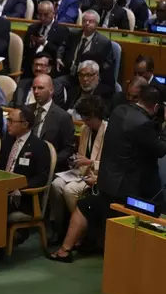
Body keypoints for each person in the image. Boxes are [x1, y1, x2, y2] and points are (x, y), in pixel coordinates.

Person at [48, 85, 166, 265]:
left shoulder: (119, 111)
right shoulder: (142, 123)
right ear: (156, 107)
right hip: (128, 188)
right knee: (132, 223)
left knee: (85, 206)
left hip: (106, 180)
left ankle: (64, 250)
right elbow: (160, 150)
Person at [49, 95, 107, 240]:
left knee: (69, 190)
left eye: (87, 118)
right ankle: (59, 225)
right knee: (56, 184)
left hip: (98, 174)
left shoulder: (109, 131)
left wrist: (90, 162)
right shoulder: (85, 129)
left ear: (95, 116)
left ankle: (81, 229)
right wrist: (76, 160)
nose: (85, 122)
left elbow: (110, 163)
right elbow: (82, 154)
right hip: (81, 172)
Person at [0, 105, 51, 221]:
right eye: (7, 119)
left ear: (25, 124)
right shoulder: (7, 140)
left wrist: (19, 189)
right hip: (1, 191)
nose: (7, 124)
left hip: (22, 197)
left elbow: (41, 177)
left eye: (11, 121)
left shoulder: (39, 146)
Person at [56, 10, 114, 89]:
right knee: (55, 83)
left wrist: (95, 71)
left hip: (88, 78)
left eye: (91, 21)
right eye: (85, 21)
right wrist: (59, 57)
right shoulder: (73, 34)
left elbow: (108, 64)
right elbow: (63, 45)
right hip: (71, 74)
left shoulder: (103, 42)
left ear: (97, 24)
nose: (87, 23)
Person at [28, 74, 75, 172]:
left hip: (49, 167)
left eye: (40, 88)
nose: (36, 92)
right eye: (34, 88)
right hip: (25, 162)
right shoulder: (26, 111)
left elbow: (68, 148)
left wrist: (51, 161)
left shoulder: (63, 116)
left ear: (51, 90)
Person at [21, 1, 70, 77]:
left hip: (49, 68)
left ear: (53, 13)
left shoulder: (62, 30)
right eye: (40, 15)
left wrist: (45, 43)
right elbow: (25, 50)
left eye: (46, 15)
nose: (42, 18)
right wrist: (31, 44)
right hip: (31, 67)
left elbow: (60, 52)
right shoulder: (32, 28)